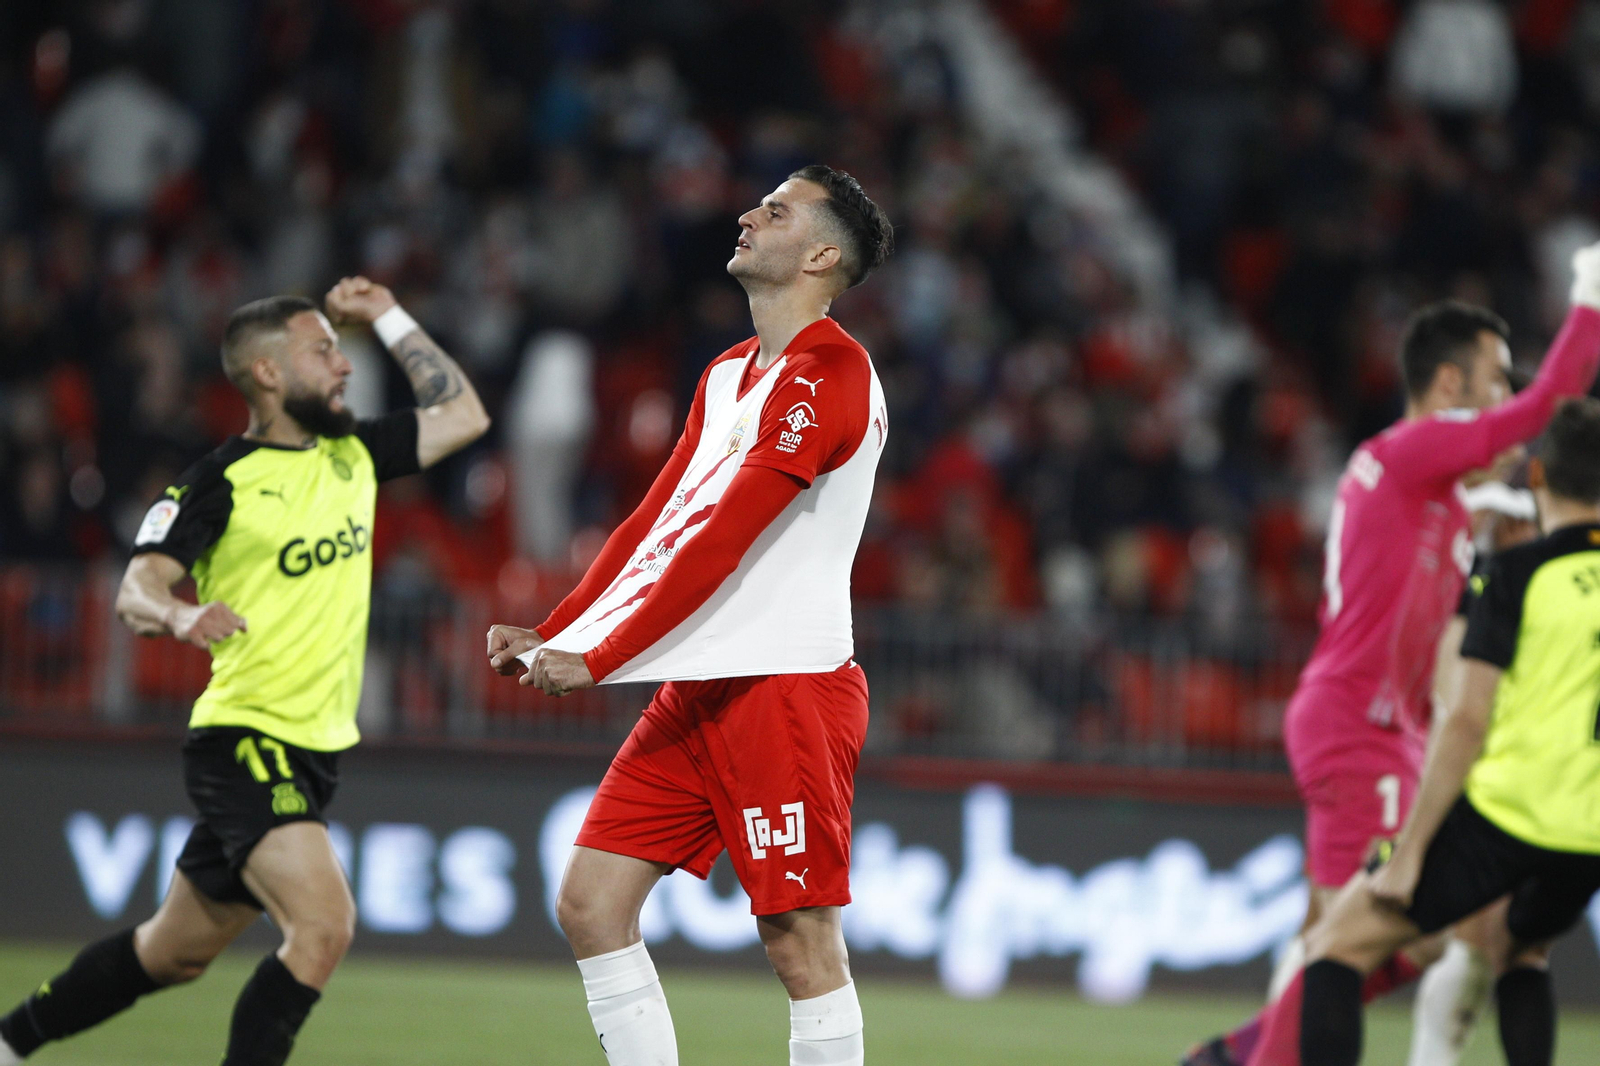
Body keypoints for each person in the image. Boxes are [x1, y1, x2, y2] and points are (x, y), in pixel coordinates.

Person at [0, 279, 489, 1066]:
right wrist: (182, 615)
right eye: (322, 350)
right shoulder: (217, 482)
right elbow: (136, 589)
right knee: (324, 926)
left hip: (315, 749)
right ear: (266, 372)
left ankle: (10, 1039)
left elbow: (464, 414)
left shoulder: (353, 454)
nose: (343, 365)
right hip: (246, 738)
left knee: (173, 953)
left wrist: (389, 316)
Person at [486, 164, 893, 1066]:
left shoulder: (831, 373)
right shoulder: (727, 374)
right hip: (700, 688)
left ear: (822, 255)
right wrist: (560, 629)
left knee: (800, 944)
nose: (748, 214)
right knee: (590, 903)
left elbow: (726, 538)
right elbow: (657, 525)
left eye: (777, 211)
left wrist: (601, 657)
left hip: (786, 686)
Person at [1183, 245, 1600, 1066]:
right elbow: (1551, 406)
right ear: (1449, 389)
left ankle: (1232, 1057)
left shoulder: (1435, 492)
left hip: (1379, 727)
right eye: (1495, 378)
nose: (1508, 397)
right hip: (1359, 724)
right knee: (1370, 940)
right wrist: (1590, 293)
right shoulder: (1414, 454)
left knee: (1364, 938)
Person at [1297, 395, 1600, 1066]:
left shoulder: (1517, 574)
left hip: (1511, 815)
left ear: (1541, 476)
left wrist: (1409, 850)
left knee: (1335, 947)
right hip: (1590, 836)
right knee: (1522, 948)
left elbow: (1465, 719)